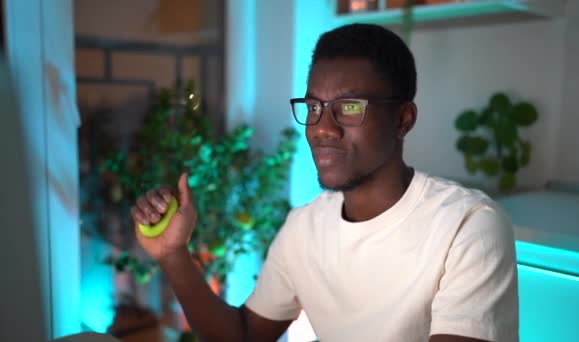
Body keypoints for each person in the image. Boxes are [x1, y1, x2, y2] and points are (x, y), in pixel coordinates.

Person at [131, 23, 519, 342]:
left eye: (349, 107)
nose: (322, 129)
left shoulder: (468, 225)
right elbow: (246, 335)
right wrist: (172, 254)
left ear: (403, 119)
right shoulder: (304, 226)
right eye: (314, 107)